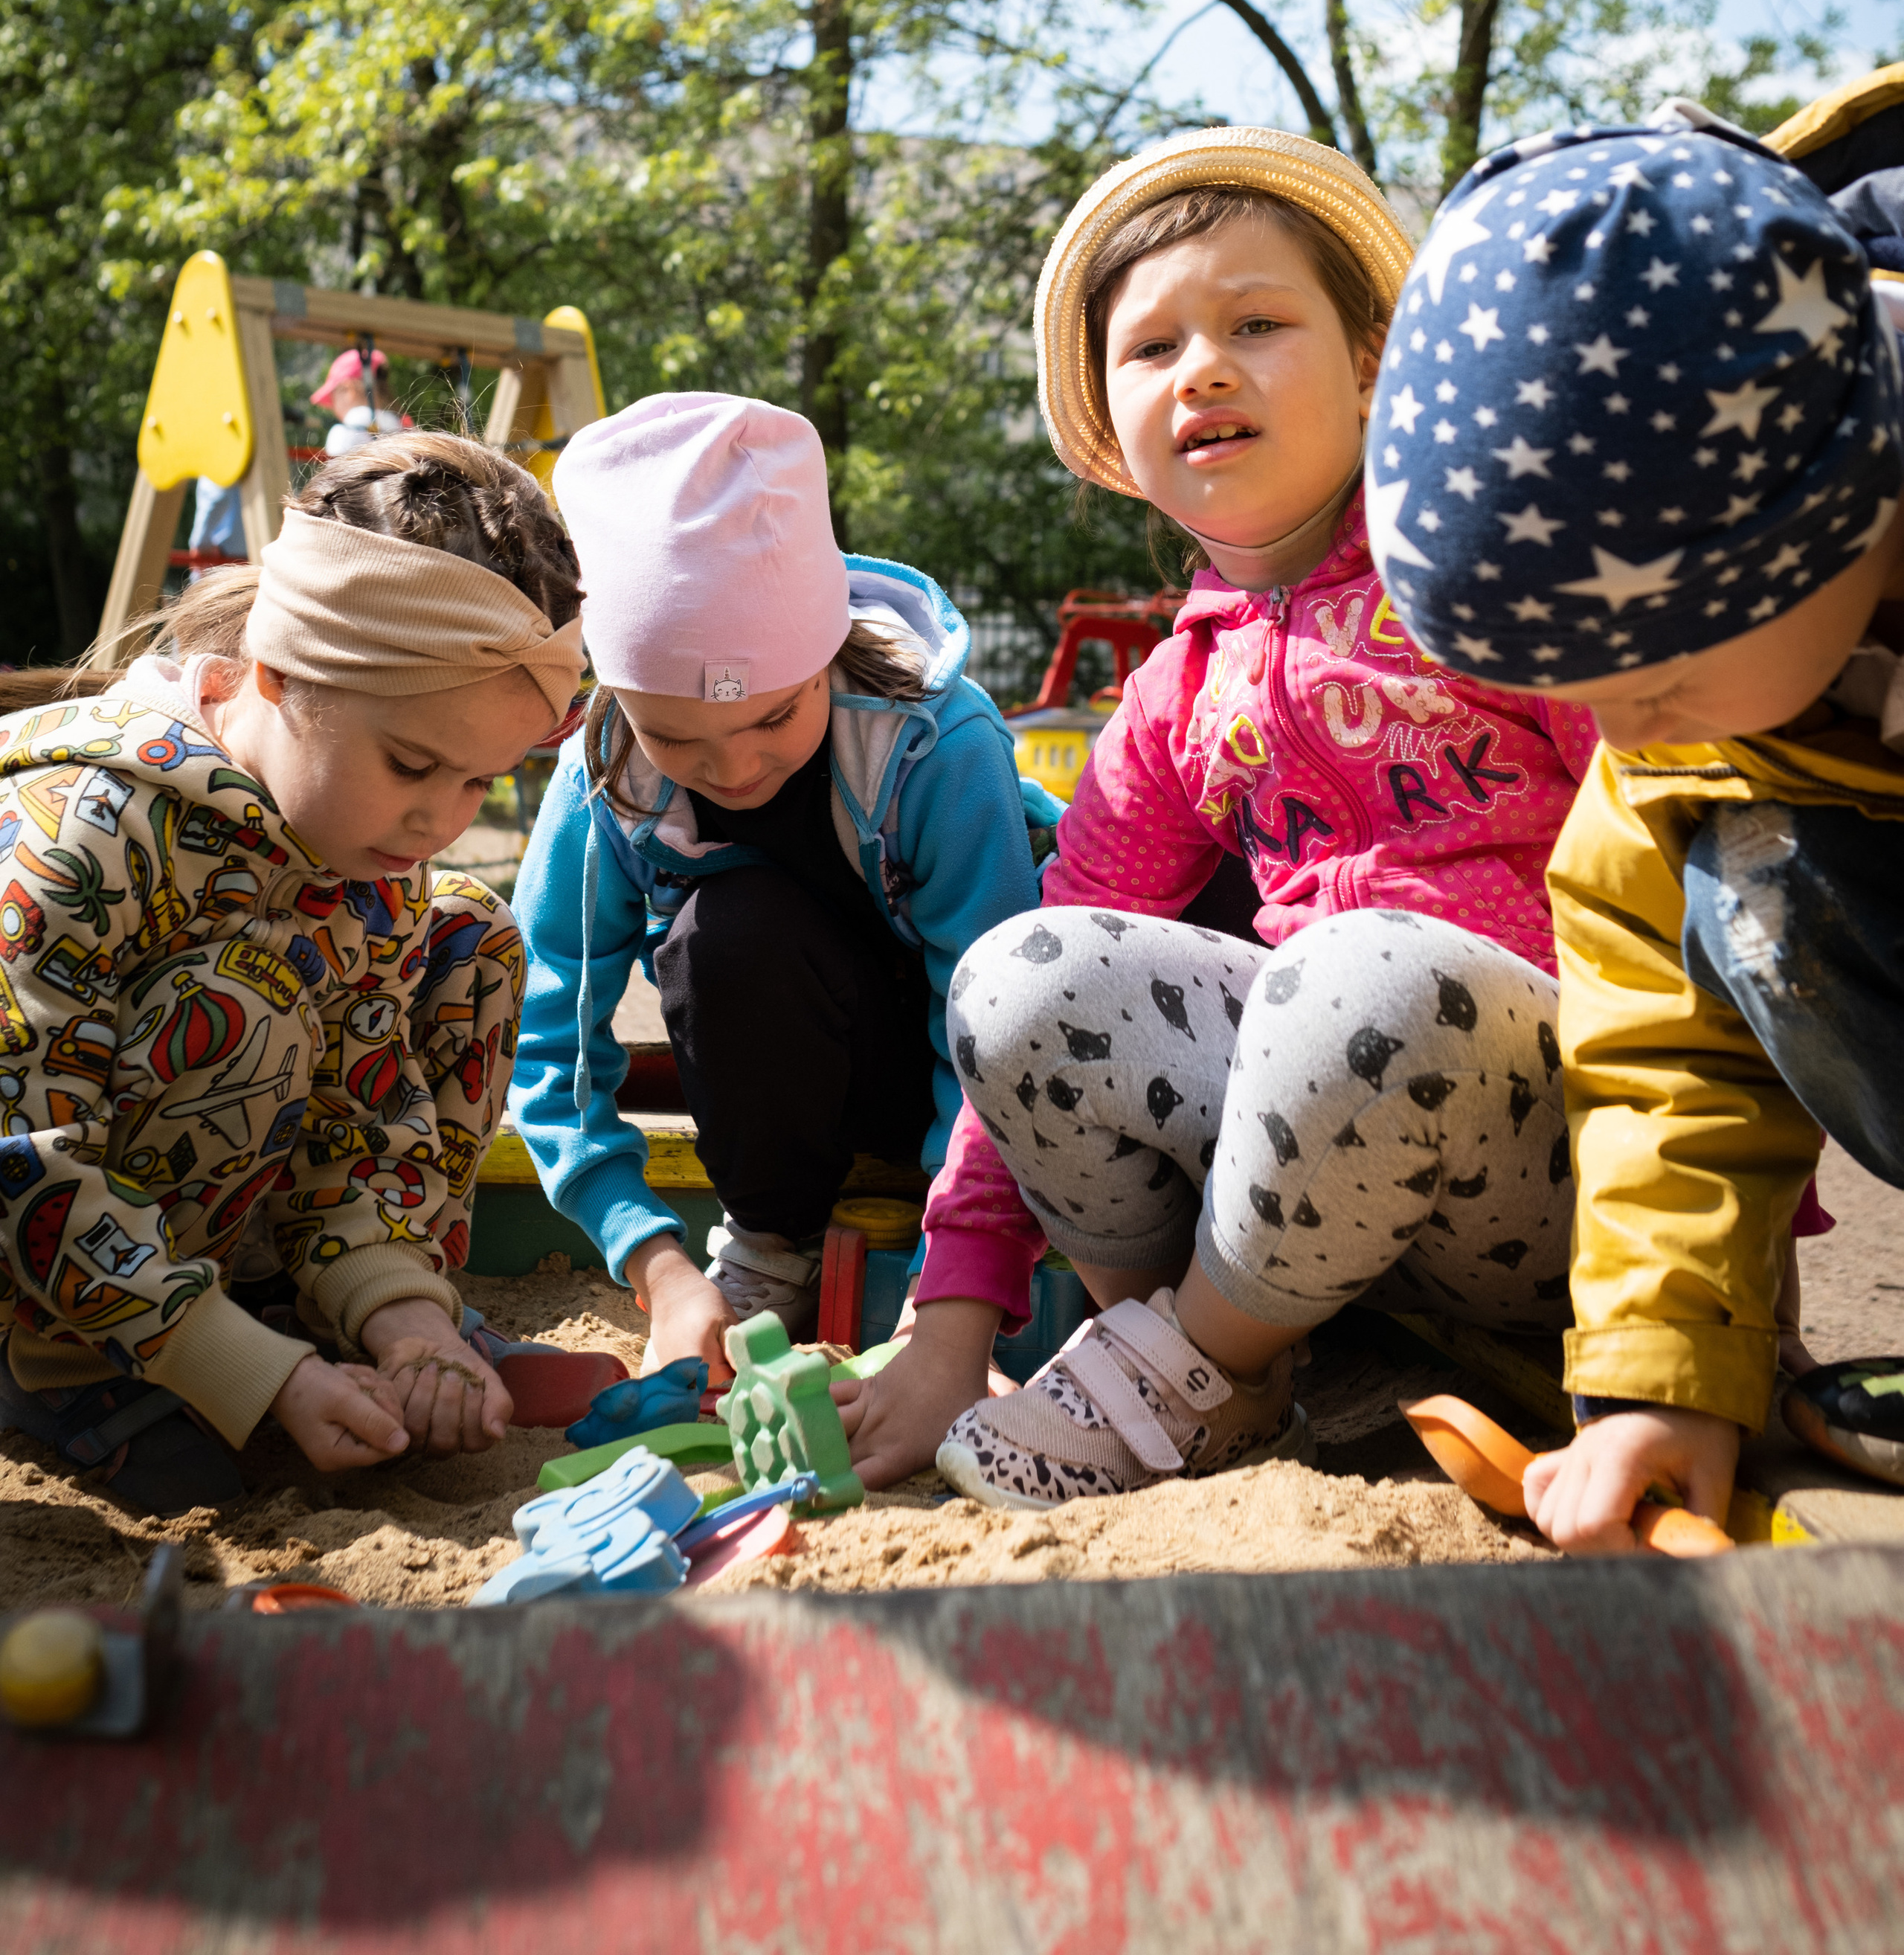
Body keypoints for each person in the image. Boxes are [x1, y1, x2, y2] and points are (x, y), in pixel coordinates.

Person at [875, 126, 1601, 1510]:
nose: (1201, 366)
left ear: (1377, 357)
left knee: (1360, 970)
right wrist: (950, 1316)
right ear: (1110, 418)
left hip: (1558, 1173)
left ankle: (1188, 1358)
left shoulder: (1496, 581)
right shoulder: (1173, 696)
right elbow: (1027, 1030)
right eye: (1152, 350)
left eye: (1257, 322)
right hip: (1314, 1188)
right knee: (1020, 981)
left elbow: (1683, 868)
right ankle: (1222, 1373)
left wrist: (1740, 1275)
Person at [1363, 104, 1904, 1548]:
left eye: (1656, 678)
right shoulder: (1694, 740)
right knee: (1747, 885)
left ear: (1851, 514)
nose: (1617, 733)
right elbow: (1668, 1050)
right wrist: (1659, 1377)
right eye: (1570, 696)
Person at [0, 434, 585, 1517]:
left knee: (469, 931)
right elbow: (17, 1162)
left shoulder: (369, 853)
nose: (441, 817)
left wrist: (400, 1316)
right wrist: (243, 1376)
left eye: (481, 782)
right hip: (42, 1273)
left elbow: (360, 1118)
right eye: (412, 765)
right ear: (275, 674)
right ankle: (73, 1376)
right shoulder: (79, 833)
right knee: (238, 1005)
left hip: (224, 1232)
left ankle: (314, 1316)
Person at [507, 392, 1047, 1386]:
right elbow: (545, 1035)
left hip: (975, 1088)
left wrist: (948, 1288)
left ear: (824, 653)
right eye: (680, 736)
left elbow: (1000, 1031)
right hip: (782, 1082)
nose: (738, 768)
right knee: (729, 932)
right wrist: (654, 1261)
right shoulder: (611, 773)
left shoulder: (933, 745)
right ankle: (771, 1243)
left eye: (773, 719)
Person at [313, 346, 410, 459]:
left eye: (333, 399)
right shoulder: (399, 426)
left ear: (348, 388)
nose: (332, 408)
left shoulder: (341, 432)